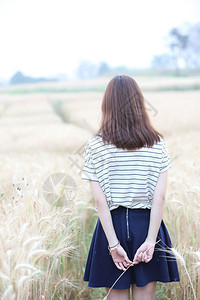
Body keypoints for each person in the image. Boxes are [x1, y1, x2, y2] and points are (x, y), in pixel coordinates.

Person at [81, 75, 180, 300]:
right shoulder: (157, 143)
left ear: (107, 106)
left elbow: (99, 201)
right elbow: (160, 197)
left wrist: (113, 244)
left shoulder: (95, 145)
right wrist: (150, 240)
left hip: (111, 226)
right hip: (147, 224)